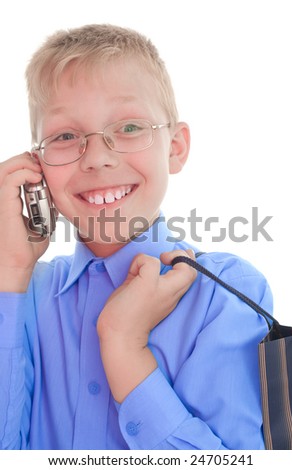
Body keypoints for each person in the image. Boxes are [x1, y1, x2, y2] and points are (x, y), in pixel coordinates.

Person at [0, 24, 272, 450]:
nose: (98, 158)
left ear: (175, 147)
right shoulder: (21, 295)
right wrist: (11, 270)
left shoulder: (227, 293)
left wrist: (125, 349)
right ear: (36, 168)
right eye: (66, 136)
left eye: (128, 127)